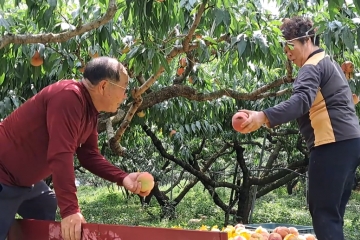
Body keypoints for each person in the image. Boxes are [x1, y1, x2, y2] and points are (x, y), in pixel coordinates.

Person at [0, 56, 153, 240]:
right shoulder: (68, 96)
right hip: (4, 175)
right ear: (104, 86)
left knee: (45, 205)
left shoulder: (88, 111)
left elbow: (89, 155)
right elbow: (60, 154)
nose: (126, 96)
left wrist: (123, 177)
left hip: (25, 181)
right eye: (124, 89)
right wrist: (70, 210)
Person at [237, 16, 360, 240]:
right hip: (350, 144)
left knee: (324, 214)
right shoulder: (328, 62)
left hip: (331, 144)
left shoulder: (312, 66)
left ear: (305, 39)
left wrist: (263, 116)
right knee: (333, 215)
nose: (288, 53)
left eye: (289, 45)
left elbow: (301, 100)